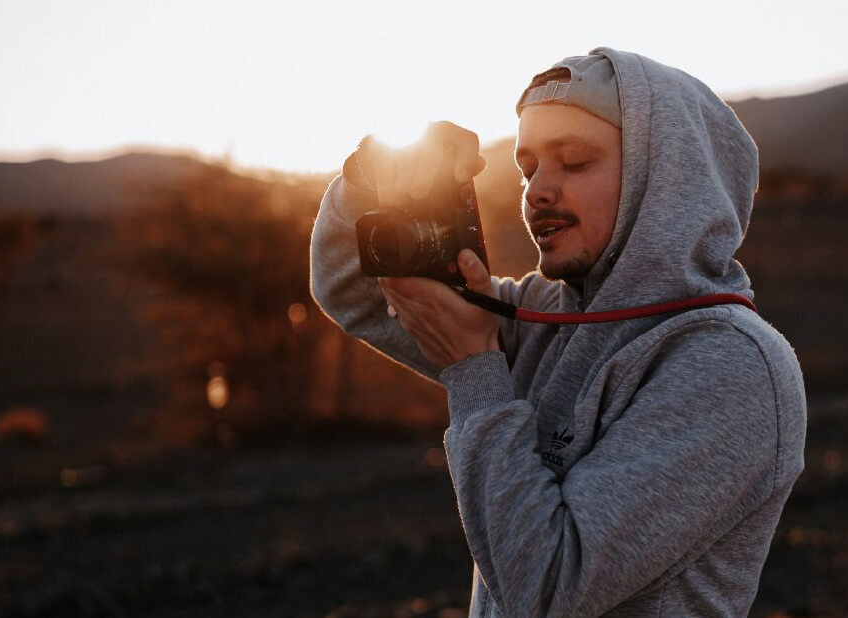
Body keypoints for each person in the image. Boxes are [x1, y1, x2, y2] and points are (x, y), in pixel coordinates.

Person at [310, 47, 807, 617]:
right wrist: (368, 177)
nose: (537, 191)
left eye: (573, 161)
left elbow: (548, 592)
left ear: (666, 178)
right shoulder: (543, 315)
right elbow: (351, 290)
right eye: (528, 169)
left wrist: (474, 367)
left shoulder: (731, 364)